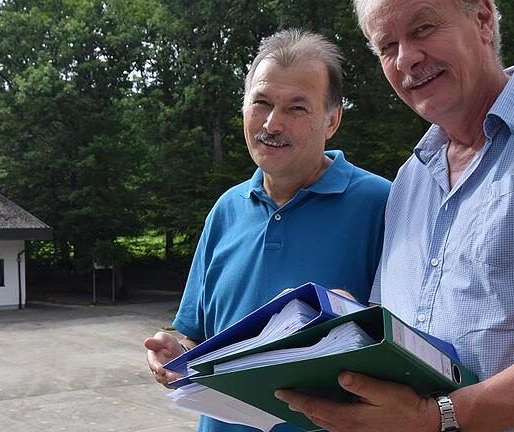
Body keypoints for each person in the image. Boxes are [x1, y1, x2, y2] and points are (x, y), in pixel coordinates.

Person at [275, 1, 514, 431]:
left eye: (424, 28)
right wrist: (337, 325)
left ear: (484, 20)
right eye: (387, 45)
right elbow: (399, 329)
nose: (406, 58)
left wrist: (437, 418)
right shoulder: (411, 178)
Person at [144, 29, 391, 432]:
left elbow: (407, 342)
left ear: (332, 119)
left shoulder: (380, 204)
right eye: (261, 103)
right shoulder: (226, 208)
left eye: (297, 108)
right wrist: (175, 352)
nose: (272, 123)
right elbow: (195, 335)